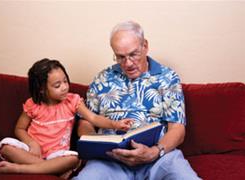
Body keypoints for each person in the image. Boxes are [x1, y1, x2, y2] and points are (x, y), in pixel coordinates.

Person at [73, 21, 201, 179]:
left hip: (158, 158)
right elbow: (85, 122)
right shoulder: (102, 78)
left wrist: (155, 152)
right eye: (120, 57)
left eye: (133, 54)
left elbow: (177, 129)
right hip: (110, 161)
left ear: (145, 46)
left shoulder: (168, 77)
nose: (128, 64)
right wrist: (97, 144)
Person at [0, 58, 132, 177]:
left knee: (72, 159)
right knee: (6, 146)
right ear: (42, 89)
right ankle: (50, 169)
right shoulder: (33, 105)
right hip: (32, 153)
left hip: (57, 155)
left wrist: (115, 124)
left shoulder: (73, 101)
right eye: (57, 85)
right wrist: (32, 144)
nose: (64, 87)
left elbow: (94, 118)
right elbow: (19, 129)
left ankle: (19, 168)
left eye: (65, 81)